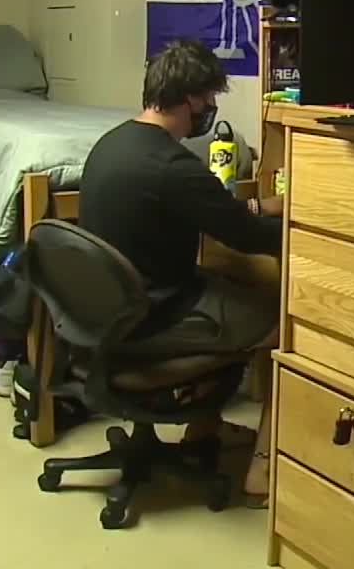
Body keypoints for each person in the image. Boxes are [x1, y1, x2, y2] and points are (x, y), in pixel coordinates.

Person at [78, 39, 282, 503]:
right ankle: (262, 469)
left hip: (108, 313)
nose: (211, 107)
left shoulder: (112, 145)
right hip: (155, 318)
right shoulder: (174, 165)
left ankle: (200, 430)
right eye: (209, 97)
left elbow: (204, 208)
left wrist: (256, 204)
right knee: (278, 323)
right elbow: (247, 237)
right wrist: (303, 230)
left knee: (223, 288)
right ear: (190, 98)